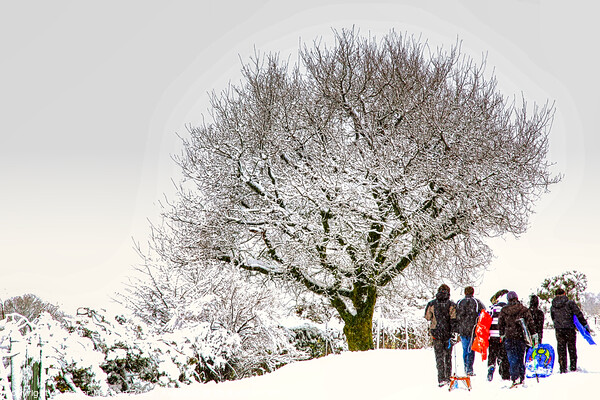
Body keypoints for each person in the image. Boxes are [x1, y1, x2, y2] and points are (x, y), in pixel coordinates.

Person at [498, 291, 536, 387]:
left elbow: (500, 323)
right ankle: (521, 376)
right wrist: (533, 333)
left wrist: (502, 334)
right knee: (520, 357)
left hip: (509, 337)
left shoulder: (504, 310)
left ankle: (515, 377)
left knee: (512, 358)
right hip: (520, 337)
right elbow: (530, 322)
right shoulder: (523, 309)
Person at [550, 288, 591, 373]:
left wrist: (558, 324)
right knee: (571, 348)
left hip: (559, 330)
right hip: (569, 328)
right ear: (564, 293)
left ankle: (562, 368)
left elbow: (553, 317)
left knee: (561, 349)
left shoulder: (553, 306)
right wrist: (584, 324)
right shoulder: (570, 303)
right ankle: (573, 367)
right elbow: (578, 314)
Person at [424, 284, 458, 387]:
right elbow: (454, 319)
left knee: (439, 356)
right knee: (448, 356)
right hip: (448, 334)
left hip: (436, 333)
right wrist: (453, 332)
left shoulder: (431, 304)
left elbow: (427, 317)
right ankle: (448, 377)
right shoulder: (451, 304)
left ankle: (441, 378)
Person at [456, 286, 485, 376]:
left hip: (462, 329)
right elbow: (484, 312)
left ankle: (466, 366)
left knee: (465, 348)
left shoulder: (459, 302)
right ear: (473, 292)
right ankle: (469, 368)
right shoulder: (477, 302)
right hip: (473, 329)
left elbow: (456, 315)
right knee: (471, 349)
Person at [486, 289, 510, 382]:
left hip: (492, 335)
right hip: (503, 335)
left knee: (492, 353)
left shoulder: (491, 308)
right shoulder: (507, 309)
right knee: (503, 353)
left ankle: (491, 365)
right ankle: (502, 367)